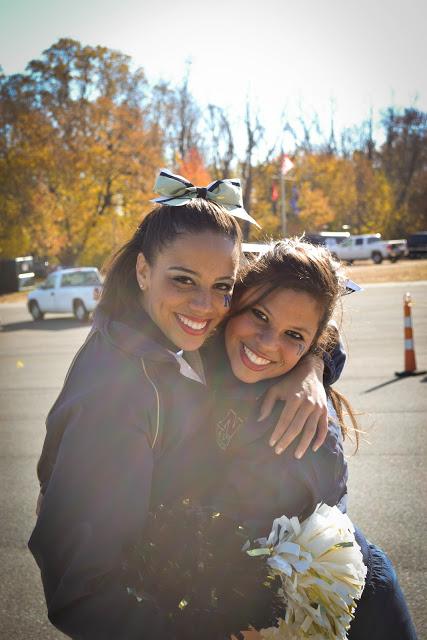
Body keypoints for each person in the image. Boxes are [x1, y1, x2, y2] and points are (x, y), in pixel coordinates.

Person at [29, 173, 343, 639]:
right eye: (183, 281)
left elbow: (310, 295)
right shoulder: (114, 396)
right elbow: (82, 592)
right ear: (142, 271)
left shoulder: (192, 337)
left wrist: (313, 365)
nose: (206, 306)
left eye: (223, 286)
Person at [189, 238, 417, 639]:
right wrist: (313, 363)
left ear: (312, 341)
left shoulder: (300, 424)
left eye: (294, 336)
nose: (267, 343)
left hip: (337, 607)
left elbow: (302, 542)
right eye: (258, 315)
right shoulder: (211, 353)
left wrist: (243, 614)